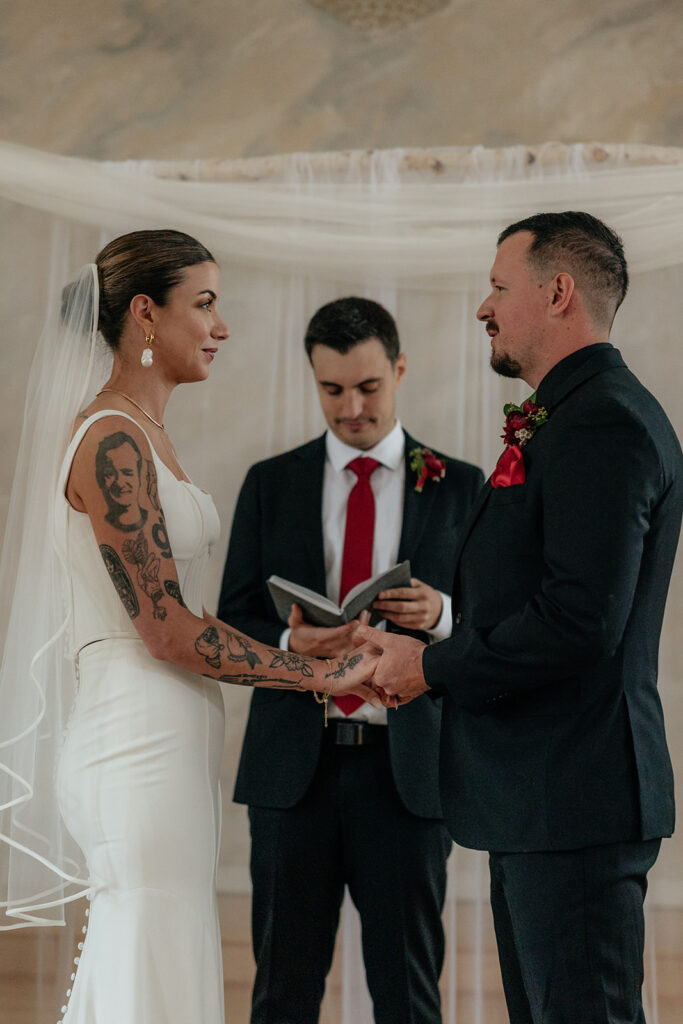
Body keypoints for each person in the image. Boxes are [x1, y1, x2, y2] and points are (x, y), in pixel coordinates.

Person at [0, 231, 381, 1024]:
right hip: (135, 735)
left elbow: (174, 615)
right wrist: (320, 677)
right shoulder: (112, 439)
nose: (223, 326)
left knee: (157, 941)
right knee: (150, 944)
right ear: (145, 313)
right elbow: (168, 630)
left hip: (165, 731)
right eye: (204, 304)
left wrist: (296, 644)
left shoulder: (143, 434)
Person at [355, 212, 683, 1024]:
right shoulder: (569, 414)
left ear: (558, 292)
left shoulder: (601, 421)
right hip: (543, 798)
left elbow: (579, 621)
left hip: (572, 795)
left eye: (499, 288)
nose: (483, 307)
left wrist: (428, 667)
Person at [218, 297, 484, 1024]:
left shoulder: (460, 486)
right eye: (332, 389)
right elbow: (232, 620)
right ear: (313, 380)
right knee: (281, 990)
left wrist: (444, 616)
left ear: (398, 371)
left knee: (408, 994)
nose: (352, 406)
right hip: (290, 770)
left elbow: (497, 631)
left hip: (407, 774)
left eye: (368, 386)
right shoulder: (270, 483)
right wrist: (286, 645)